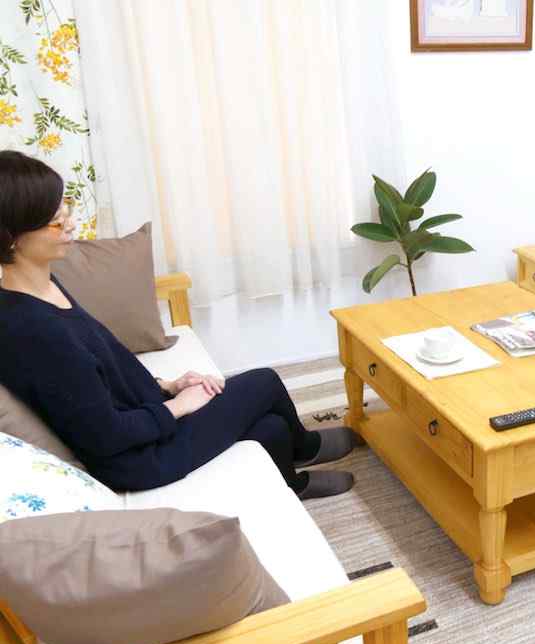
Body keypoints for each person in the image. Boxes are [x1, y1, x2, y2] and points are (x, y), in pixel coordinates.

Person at [0, 150, 355, 498]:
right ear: (12, 238)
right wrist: (179, 405)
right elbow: (105, 435)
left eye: (66, 209)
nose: (71, 224)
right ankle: (305, 447)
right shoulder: (32, 331)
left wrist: (169, 386)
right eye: (56, 221)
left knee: (272, 425)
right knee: (264, 383)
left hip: (146, 421)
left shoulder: (45, 285)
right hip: (139, 458)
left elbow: (104, 372)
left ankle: (292, 482)